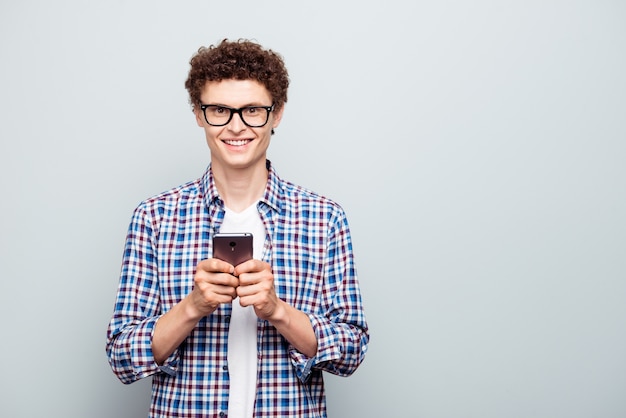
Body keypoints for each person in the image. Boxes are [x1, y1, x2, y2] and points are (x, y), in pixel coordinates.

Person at [106, 38, 369, 418]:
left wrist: (277, 311)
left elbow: (352, 350)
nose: (236, 126)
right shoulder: (155, 217)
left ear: (276, 114)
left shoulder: (323, 218)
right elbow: (122, 357)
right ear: (199, 114)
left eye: (252, 111)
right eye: (219, 110)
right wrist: (193, 306)